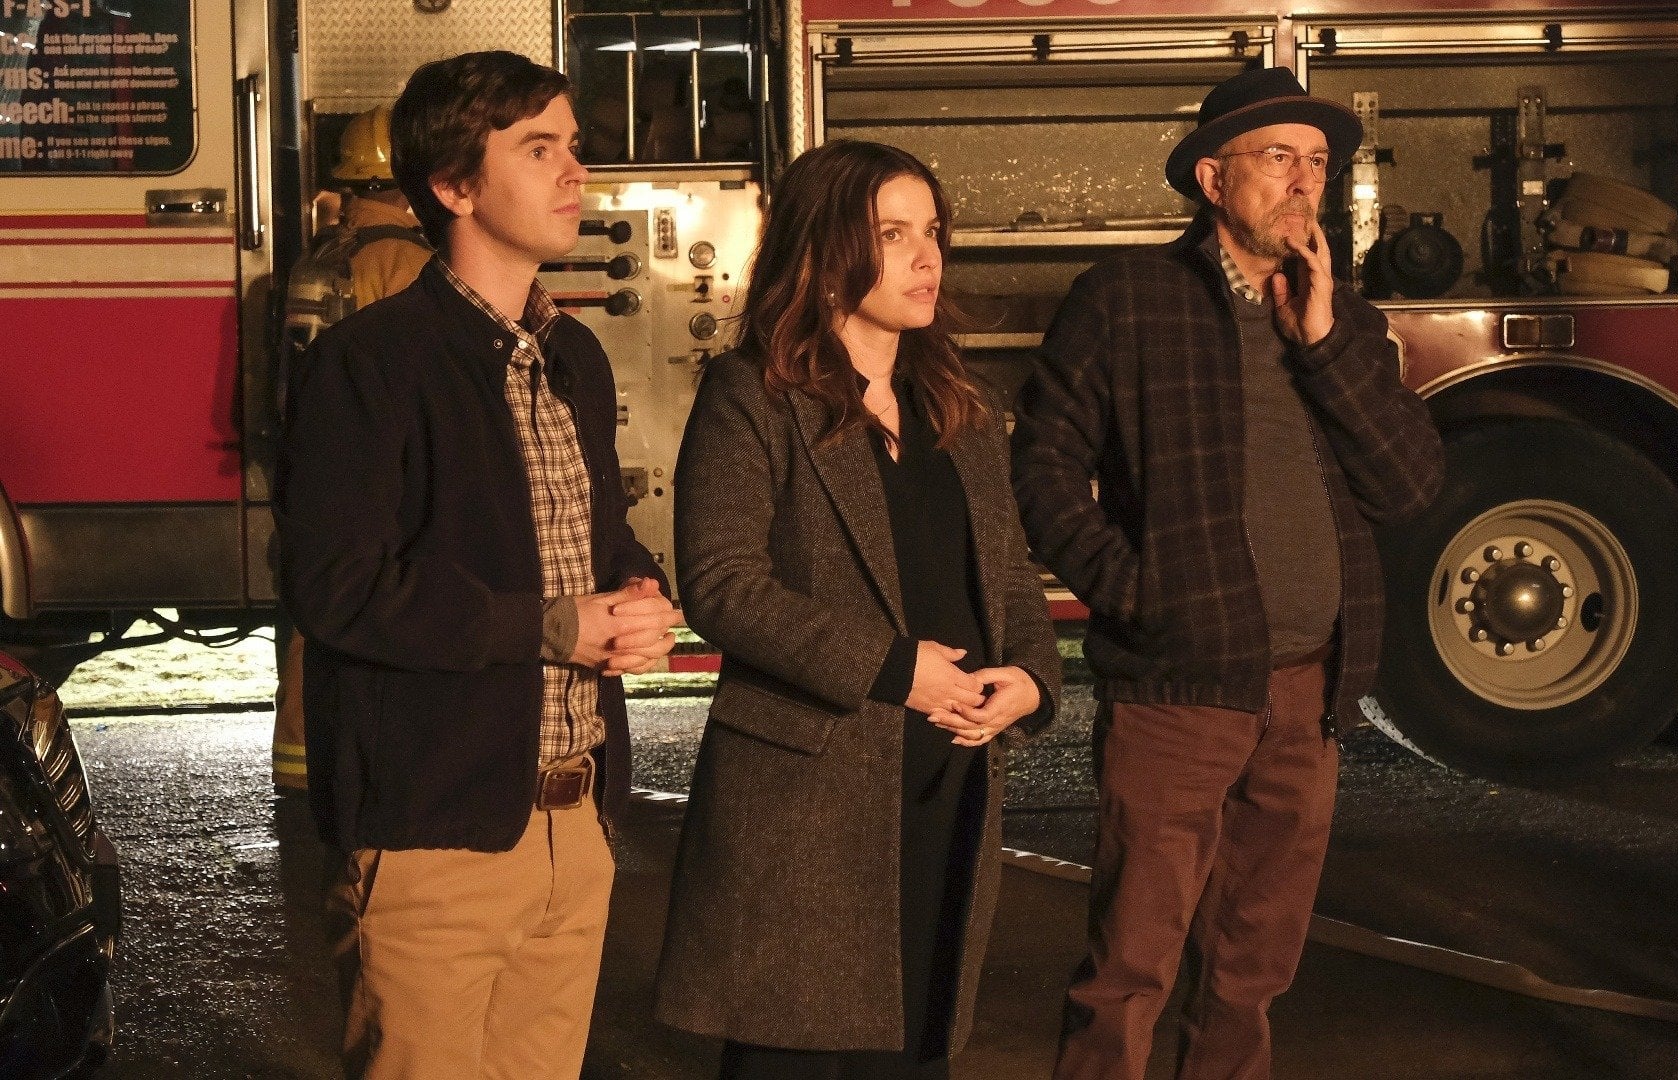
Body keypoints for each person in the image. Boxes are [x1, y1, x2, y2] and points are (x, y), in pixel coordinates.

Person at [1011, 67, 1445, 1080]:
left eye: (1319, 163)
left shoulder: (1346, 325)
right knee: (1128, 970)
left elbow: (1411, 486)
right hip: (1178, 693)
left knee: (1250, 976)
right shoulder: (1129, 301)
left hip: (1307, 693)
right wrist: (1136, 593)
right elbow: (1040, 467)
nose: (1304, 182)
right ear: (1213, 179)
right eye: (1278, 157)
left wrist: (1323, 342)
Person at [274, 51, 680, 1080]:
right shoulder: (371, 362)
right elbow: (338, 587)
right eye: (538, 150)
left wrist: (638, 588)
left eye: (574, 146)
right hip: (433, 839)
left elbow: (594, 534)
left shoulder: (574, 356)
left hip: (574, 826)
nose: (576, 171)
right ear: (454, 185)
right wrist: (552, 626)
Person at [654, 139, 1062, 1079]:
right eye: (892, 234)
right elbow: (721, 582)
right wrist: (893, 667)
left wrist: (1033, 682)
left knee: (915, 1047)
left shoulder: (956, 403)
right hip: (811, 787)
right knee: (793, 1056)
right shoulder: (753, 395)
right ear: (826, 248)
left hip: (944, 774)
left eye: (933, 232)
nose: (927, 258)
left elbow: (1007, 576)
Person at [273, 102, 433, 795]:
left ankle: (302, 758)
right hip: (378, 463)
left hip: (311, 457)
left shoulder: (321, 257)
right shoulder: (407, 261)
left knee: (315, 612)